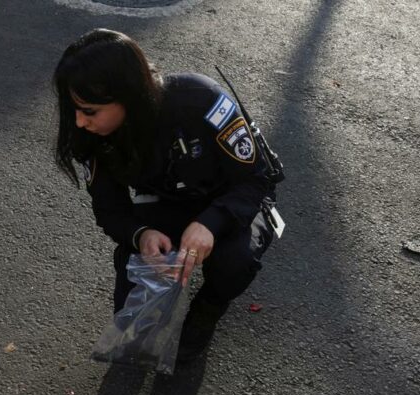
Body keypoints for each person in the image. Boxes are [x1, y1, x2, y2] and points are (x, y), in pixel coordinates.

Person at [53, 28, 277, 362]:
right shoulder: (95, 135)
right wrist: (141, 235)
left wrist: (211, 223)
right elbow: (109, 208)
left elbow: (258, 179)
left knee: (234, 264)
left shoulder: (202, 101)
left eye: (89, 111)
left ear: (127, 96)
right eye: (74, 109)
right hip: (165, 201)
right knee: (134, 305)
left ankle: (210, 306)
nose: (79, 122)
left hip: (234, 199)